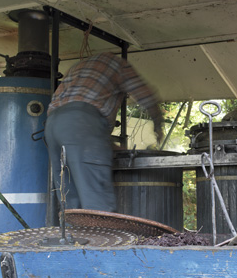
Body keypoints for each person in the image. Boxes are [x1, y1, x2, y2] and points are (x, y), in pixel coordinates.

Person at [45, 52, 163, 212]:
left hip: (53, 124)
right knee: (96, 197)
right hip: (81, 120)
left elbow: (80, 136)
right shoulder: (119, 64)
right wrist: (158, 124)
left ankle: (73, 236)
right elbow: (146, 95)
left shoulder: (78, 68)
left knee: (69, 198)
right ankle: (100, 235)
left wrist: (110, 147)